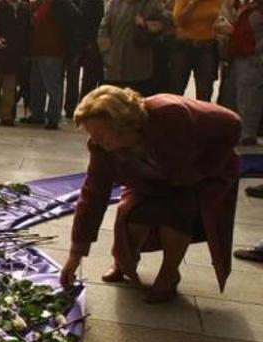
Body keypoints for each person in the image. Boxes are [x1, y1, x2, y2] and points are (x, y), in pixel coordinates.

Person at [61, 85, 242, 303]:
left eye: (99, 133)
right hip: (151, 179)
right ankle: (124, 262)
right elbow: (93, 195)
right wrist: (75, 256)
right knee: (132, 215)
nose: (94, 140)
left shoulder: (169, 114)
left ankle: (169, 274)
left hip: (189, 175)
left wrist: (201, 169)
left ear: (120, 124)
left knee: (176, 217)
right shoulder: (101, 147)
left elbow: (232, 123)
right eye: (91, 134)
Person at [22, 0, 80, 129]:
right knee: (37, 84)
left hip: (52, 50)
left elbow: (74, 19)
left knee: (52, 85)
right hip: (38, 50)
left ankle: (53, 117)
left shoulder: (60, 3)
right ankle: (37, 114)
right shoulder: (41, 3)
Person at [97, 0, 167, 96]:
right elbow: (103, 30)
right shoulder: (114, 3)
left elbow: (166, 21)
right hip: (115, 68)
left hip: (139, 70)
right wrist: (106, 54)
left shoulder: (151, 4)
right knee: (115, 104)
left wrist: (146, 25)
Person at [0, 0, 30, 125]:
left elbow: (26, 30)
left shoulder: (22, 9)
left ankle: (6, 115)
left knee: (10, 88)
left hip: (13, 54)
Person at [221, 0, 262, 145]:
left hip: (251, 58)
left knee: (248, 97)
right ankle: (240, 132)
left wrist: (232, 31)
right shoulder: (248, 8)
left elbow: (247, 34)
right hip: (239, 57)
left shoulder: (256, 11)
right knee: (238, 96)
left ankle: (247, 134)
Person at [172, 0, 222, 100]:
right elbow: (178, 20)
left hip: (207, 47)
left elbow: (220, 16)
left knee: (205, 92)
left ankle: (202, 115)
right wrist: (194, 3)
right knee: (176, 90)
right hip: (184, 47)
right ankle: (176, 115)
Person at [63, 0, 104, 118]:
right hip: (88, 43)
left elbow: (83, 21)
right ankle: (84, 107)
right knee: (89, 78)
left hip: (85, 43)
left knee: (87, 78)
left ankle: (81, 108)